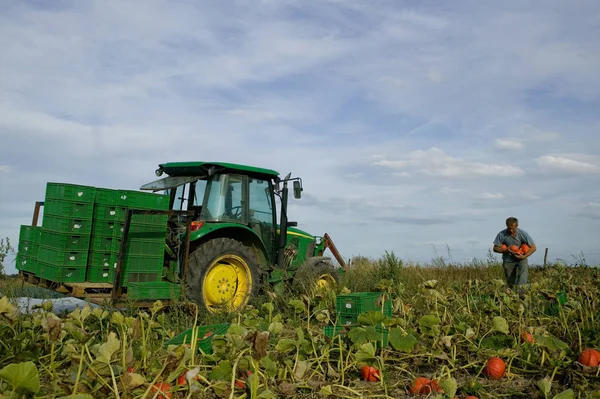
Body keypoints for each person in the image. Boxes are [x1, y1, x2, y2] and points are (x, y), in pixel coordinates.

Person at [493, 217, 536, 287]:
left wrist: (524, 256)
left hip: (521, 257)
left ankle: (521, 292)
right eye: (509, 228)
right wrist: (507, 250)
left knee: (523, 276)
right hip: (508, 259)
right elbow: (495, 248)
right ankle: (512, 295)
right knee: (510, 281)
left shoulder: (523, 234)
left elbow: (533, 247)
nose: (510, 230)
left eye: (512, 228)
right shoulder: (501, 234)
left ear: (516, 226)